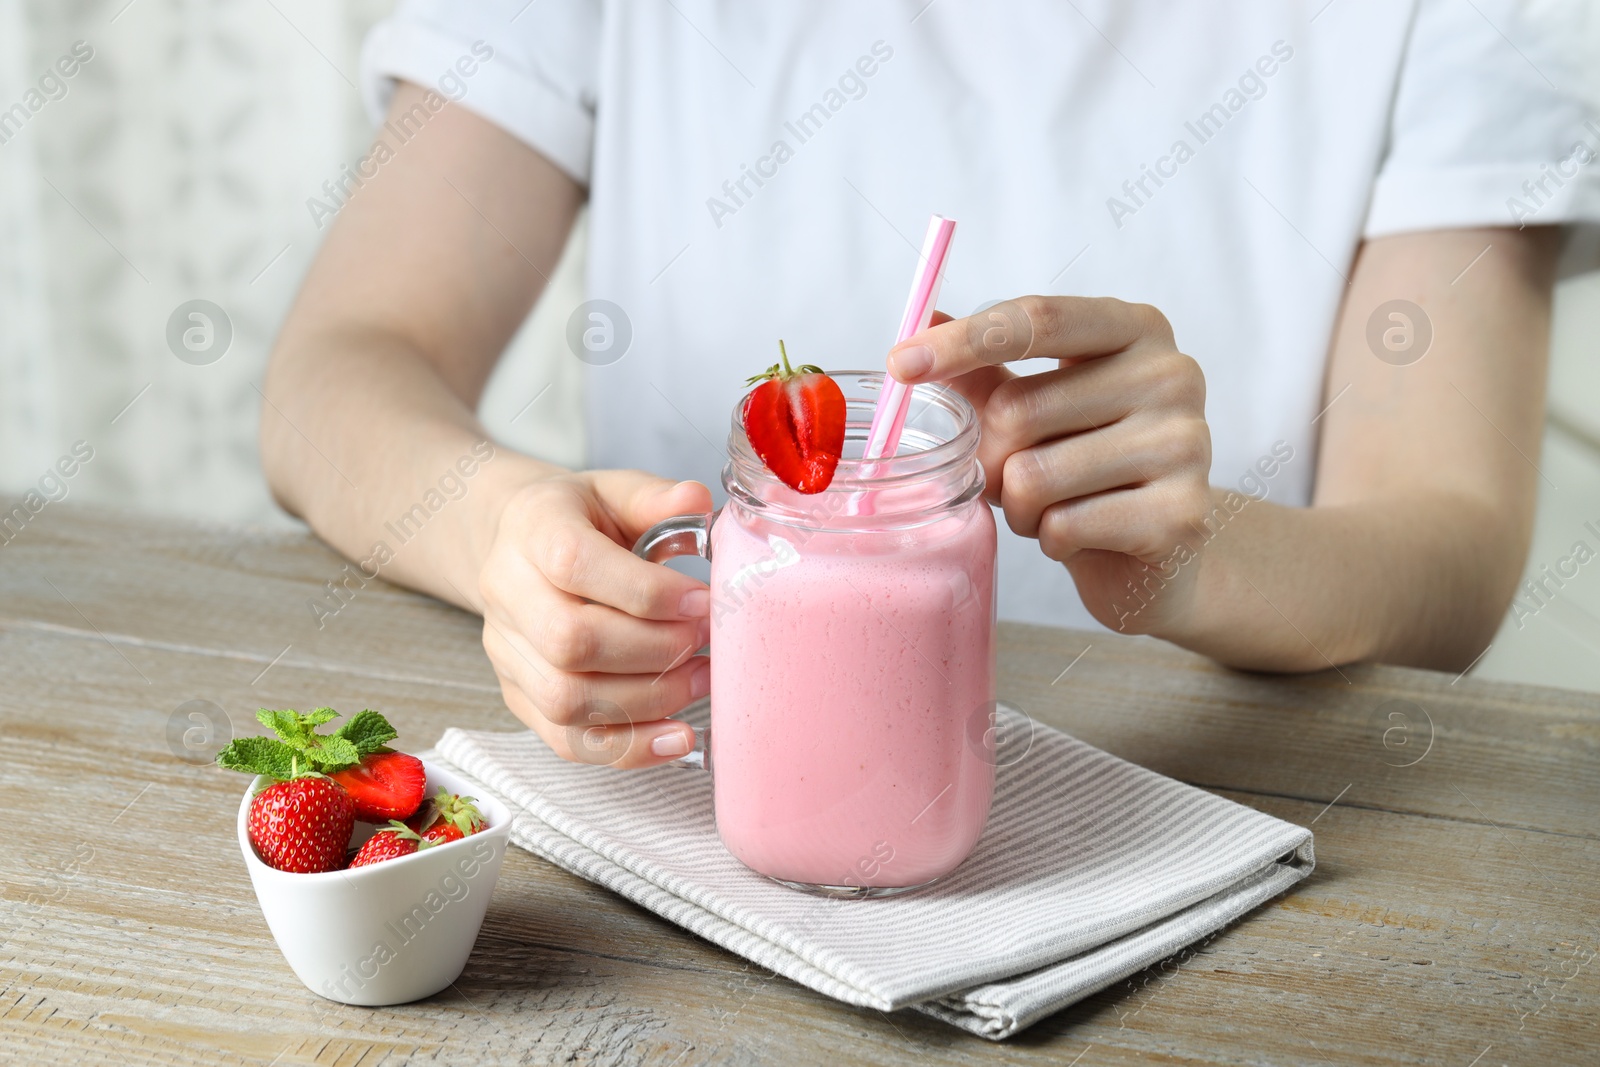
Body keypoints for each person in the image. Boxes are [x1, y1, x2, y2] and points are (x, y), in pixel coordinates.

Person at [261, 1, 1600, 768]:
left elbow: (1454, 555)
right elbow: (337, 374)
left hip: (1193, 818)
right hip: (695, 807)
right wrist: (500, 530)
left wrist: (1198, 563)